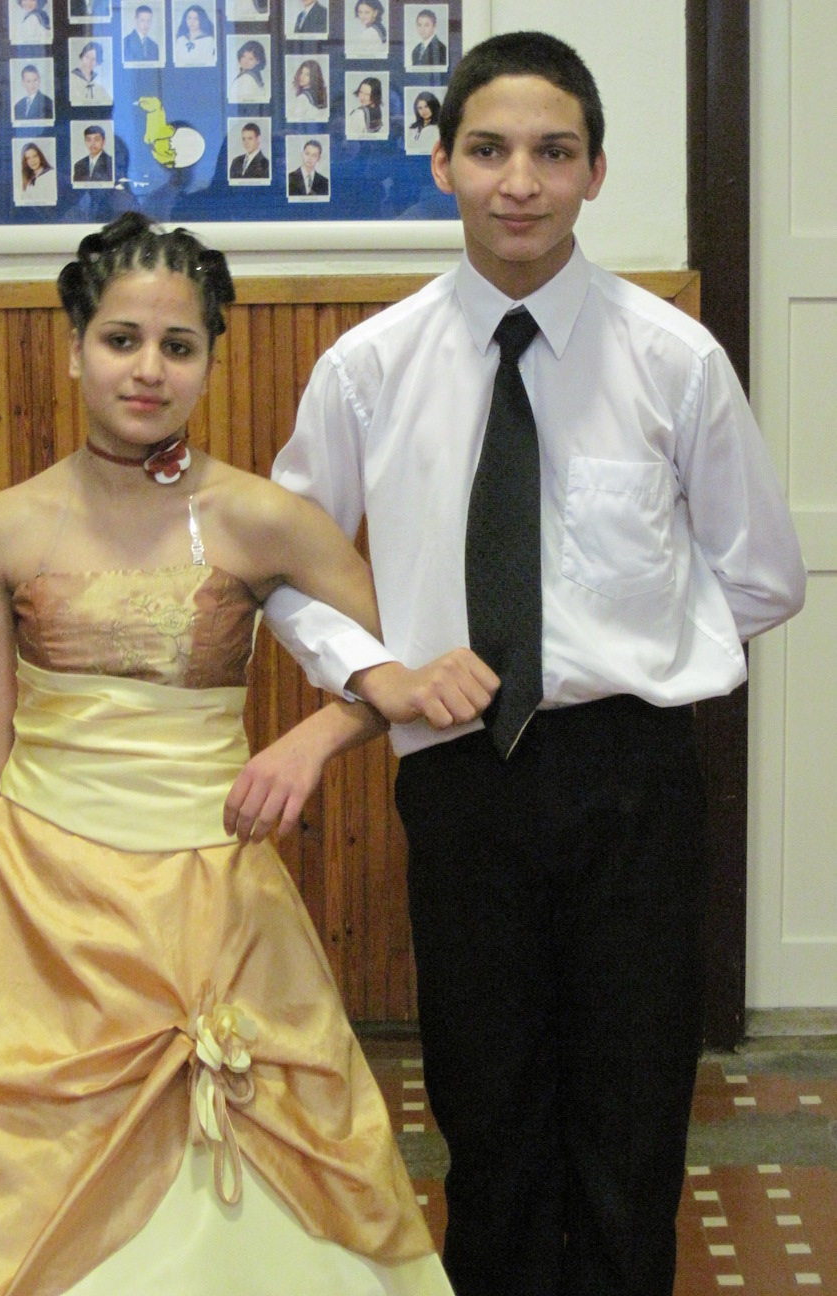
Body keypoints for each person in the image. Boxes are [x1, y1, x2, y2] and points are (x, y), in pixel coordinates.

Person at [249, 29, 807, 1296]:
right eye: (489, 149)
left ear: (596, 172)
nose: (520, 181)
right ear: (442, 163)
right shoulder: (370, 368)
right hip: (461, 776)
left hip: (635, 779)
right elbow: (283, 563)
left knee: (632, 1119)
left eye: (554, 153)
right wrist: (379, 677)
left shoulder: (673, 360)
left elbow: (764, 573)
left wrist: (638, 648)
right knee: (488, 1114)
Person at [0, 212, 466, 1296]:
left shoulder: (262, 518)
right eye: (122, 340)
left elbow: (403, 672)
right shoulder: (4, 526)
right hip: (31, 909)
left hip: (211, 896)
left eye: (178, 346)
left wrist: (315, 736)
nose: (148, 369)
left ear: (208, 362)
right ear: (74, 349)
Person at [71, 40, 112, 105]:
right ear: (82, 57)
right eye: (87, 57)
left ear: (97, 62)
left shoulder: (99, 82)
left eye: (94, 59)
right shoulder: (72, 78)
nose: (89, 62)